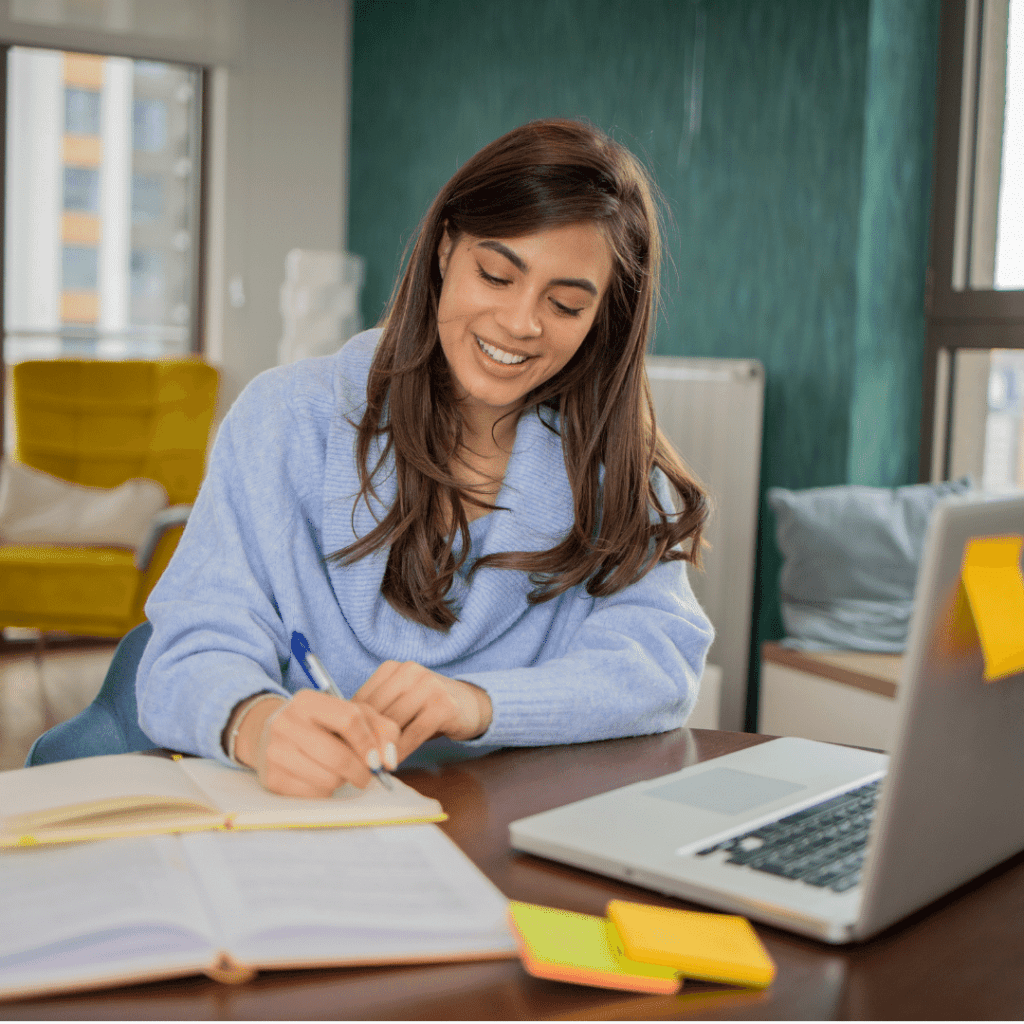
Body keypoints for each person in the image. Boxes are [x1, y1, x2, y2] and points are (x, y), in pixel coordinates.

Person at [136, 118, 715, 797]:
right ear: (445, 250)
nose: (521, 323)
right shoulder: (284, 420)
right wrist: (255, 723)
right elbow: (188, 648)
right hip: (297, 824)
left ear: (601, 319)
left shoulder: (617, 475)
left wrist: (475, 702)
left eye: (564, 304)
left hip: (500, 831)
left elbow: (658, 664)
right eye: (497, 275)